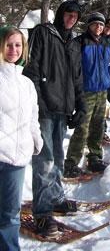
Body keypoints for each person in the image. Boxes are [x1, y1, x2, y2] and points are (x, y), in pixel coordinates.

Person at [23, 0, 86, 238]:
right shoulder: (43, 33)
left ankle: (56, 197)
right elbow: (32, 70)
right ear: (61, 14)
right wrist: (37, 104)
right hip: (45, 106)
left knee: (58, 157)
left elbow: (77, 77)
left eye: (75, 16)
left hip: (63, 108)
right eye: (68, 14)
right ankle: (42, 211)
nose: (71, 19)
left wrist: (80, 104)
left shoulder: (73, 41)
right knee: (44, 160)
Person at [0, 26, 43, 251]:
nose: (13, 50)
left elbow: (33, 116)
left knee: (9, 217)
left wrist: (36, 138)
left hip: (16, 160)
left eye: (18, 45)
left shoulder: (26, 84)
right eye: (8, 44)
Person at [64, 12, 110, 177]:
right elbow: (73, 69)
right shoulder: (80, 42)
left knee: (98, 127)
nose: (98, 27)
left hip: (102, 92)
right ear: (89, 25)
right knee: (82, 129)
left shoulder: (107, 43)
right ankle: (71, 163)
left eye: (101, 25)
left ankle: (94, 158)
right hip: (86, 92)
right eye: (95, 24)